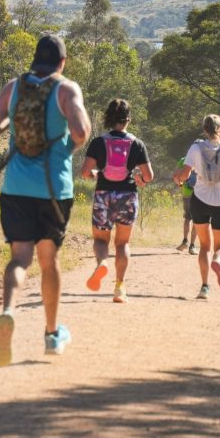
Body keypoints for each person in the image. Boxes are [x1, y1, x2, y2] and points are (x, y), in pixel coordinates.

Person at [0, 34, 91, 366]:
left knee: (19, 259)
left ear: (34, 60)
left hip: (16, 188)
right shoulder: (67, 89)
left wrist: (9, 126)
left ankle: (8, 310)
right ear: (62, 62)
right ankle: (52, 333)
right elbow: (82, 132)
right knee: (48, 260)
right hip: (54, 189)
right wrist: (66, 145)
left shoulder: (15, 87)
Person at [80, 99, 154, 303]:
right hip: (128, 195)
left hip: (104, 195)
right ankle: (119, 288)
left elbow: (85, 172)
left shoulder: (98, 142)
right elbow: (149, 176)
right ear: (128, 119)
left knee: (100, 240)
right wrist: (139, 177)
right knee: (122, 244)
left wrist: (95, 174)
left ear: (108, 118)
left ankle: (101, 263)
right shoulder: (137, 144)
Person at [172, 115, 220, 299]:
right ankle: (218, 262)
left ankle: (204, 287)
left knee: (204, 246)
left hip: (200, 199)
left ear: (204, 129)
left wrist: (177, 177)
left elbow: (185, 175)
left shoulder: (195, 147)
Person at [174, 157, 198, 254]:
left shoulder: (183, 159)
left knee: (187, 218)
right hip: (200, 194)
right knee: (197, 220)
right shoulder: (204, 158)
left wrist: (180, 184)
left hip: (187, 193)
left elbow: (176, 177)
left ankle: (185, 241)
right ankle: (192, 246)